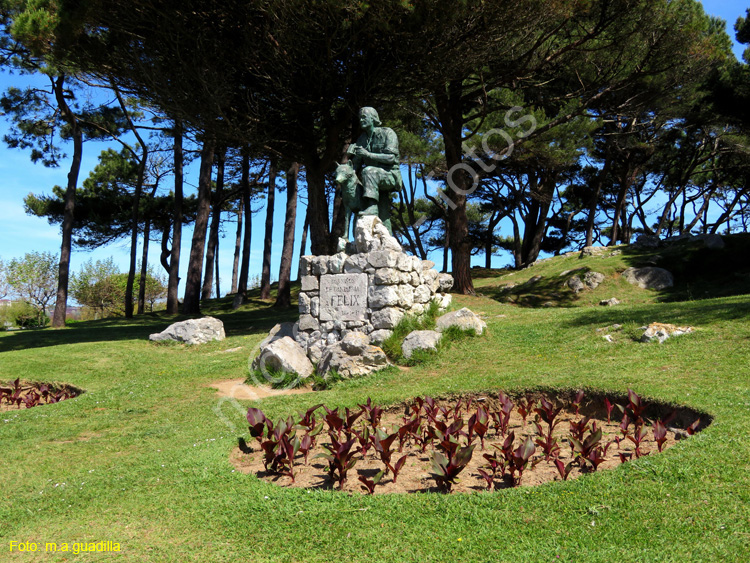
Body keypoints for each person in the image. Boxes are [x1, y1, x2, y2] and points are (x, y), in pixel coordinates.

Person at [347, 107, 403, 232]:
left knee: (368, 171)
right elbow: (355, 165)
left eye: (364, 117)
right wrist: (349, 158)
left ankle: (372, 206)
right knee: (383, 214)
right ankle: (387, 241)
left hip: (390, 175)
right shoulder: (362, 139)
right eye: (360, 118)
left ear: (373, 118)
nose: (361, 120)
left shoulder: (387, 133)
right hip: (372, 181)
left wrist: (368, 155)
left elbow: (391, 158)